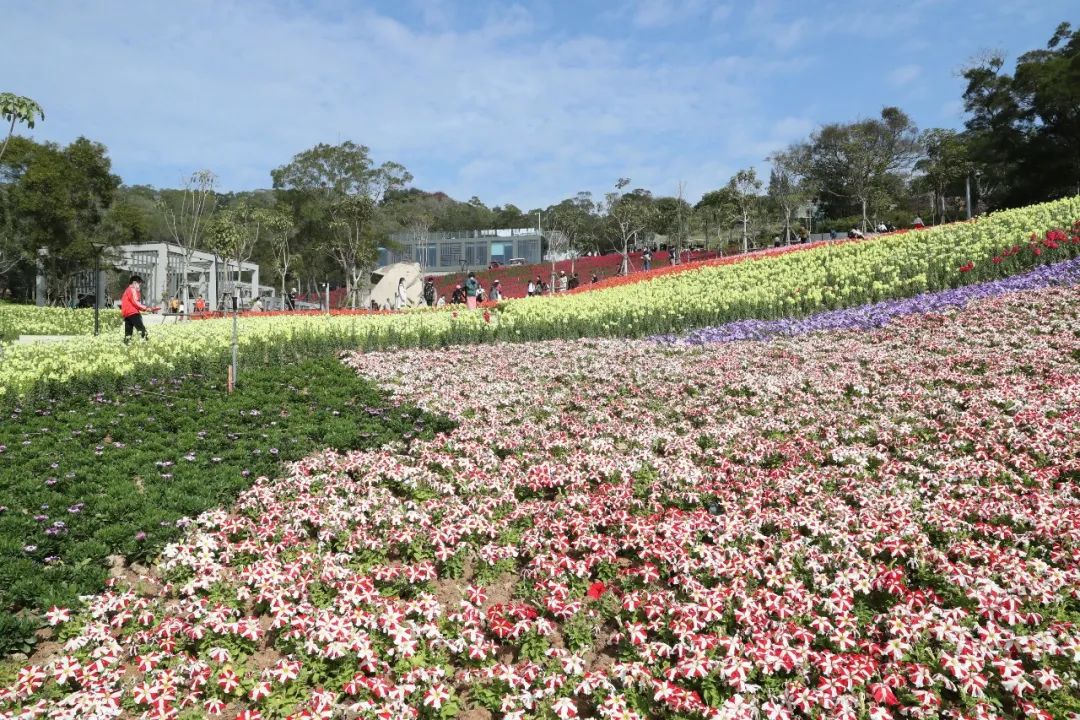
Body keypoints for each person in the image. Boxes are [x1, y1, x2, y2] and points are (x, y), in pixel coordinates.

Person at [120, 275, 154, 343]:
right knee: (141, 330)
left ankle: (126, 345)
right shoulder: (132, 289)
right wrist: (146, 308)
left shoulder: (127, 290)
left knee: (128, 333)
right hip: (133, 313)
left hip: (127, 314)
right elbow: (135, 302)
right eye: (139, 284)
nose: (139, 286)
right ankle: (147, 343)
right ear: (135, 283)